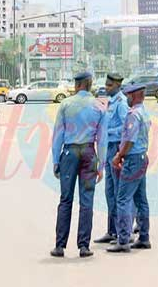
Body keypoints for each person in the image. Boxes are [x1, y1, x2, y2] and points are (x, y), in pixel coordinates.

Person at [50, 71, 106, 258]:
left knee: (66, 200)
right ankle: (84, 246)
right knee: (86, 201)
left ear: (77, 85)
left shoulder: (66, 105)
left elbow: (58, 135)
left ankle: (60, 246)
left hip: (69, 153)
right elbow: (102, 139)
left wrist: (56, 161)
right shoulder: (99, 107)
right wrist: (101, 165)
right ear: (90, 84)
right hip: (89, 153)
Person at [107, 84, 152, 253]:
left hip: (133, 159)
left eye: (128, 95)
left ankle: (123, 239)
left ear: (134, 96)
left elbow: (130, 140)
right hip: (141, 158)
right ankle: (144, 237)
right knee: (141, 200)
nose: (127, 98)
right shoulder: (145, 112)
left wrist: (119, 155)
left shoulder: (133, 115)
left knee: (123, 199)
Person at [93, 73, 129, 245]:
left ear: (117, 86)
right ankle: (111, 230)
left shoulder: (121, 103)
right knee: (109, 192)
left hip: (115, 148)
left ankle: (121, 232)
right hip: (108, 148)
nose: (106, 88)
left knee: (117, 191)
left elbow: (125, 127)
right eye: (106, 85)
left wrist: (108, 133)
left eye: (109, 85)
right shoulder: (108, 102)